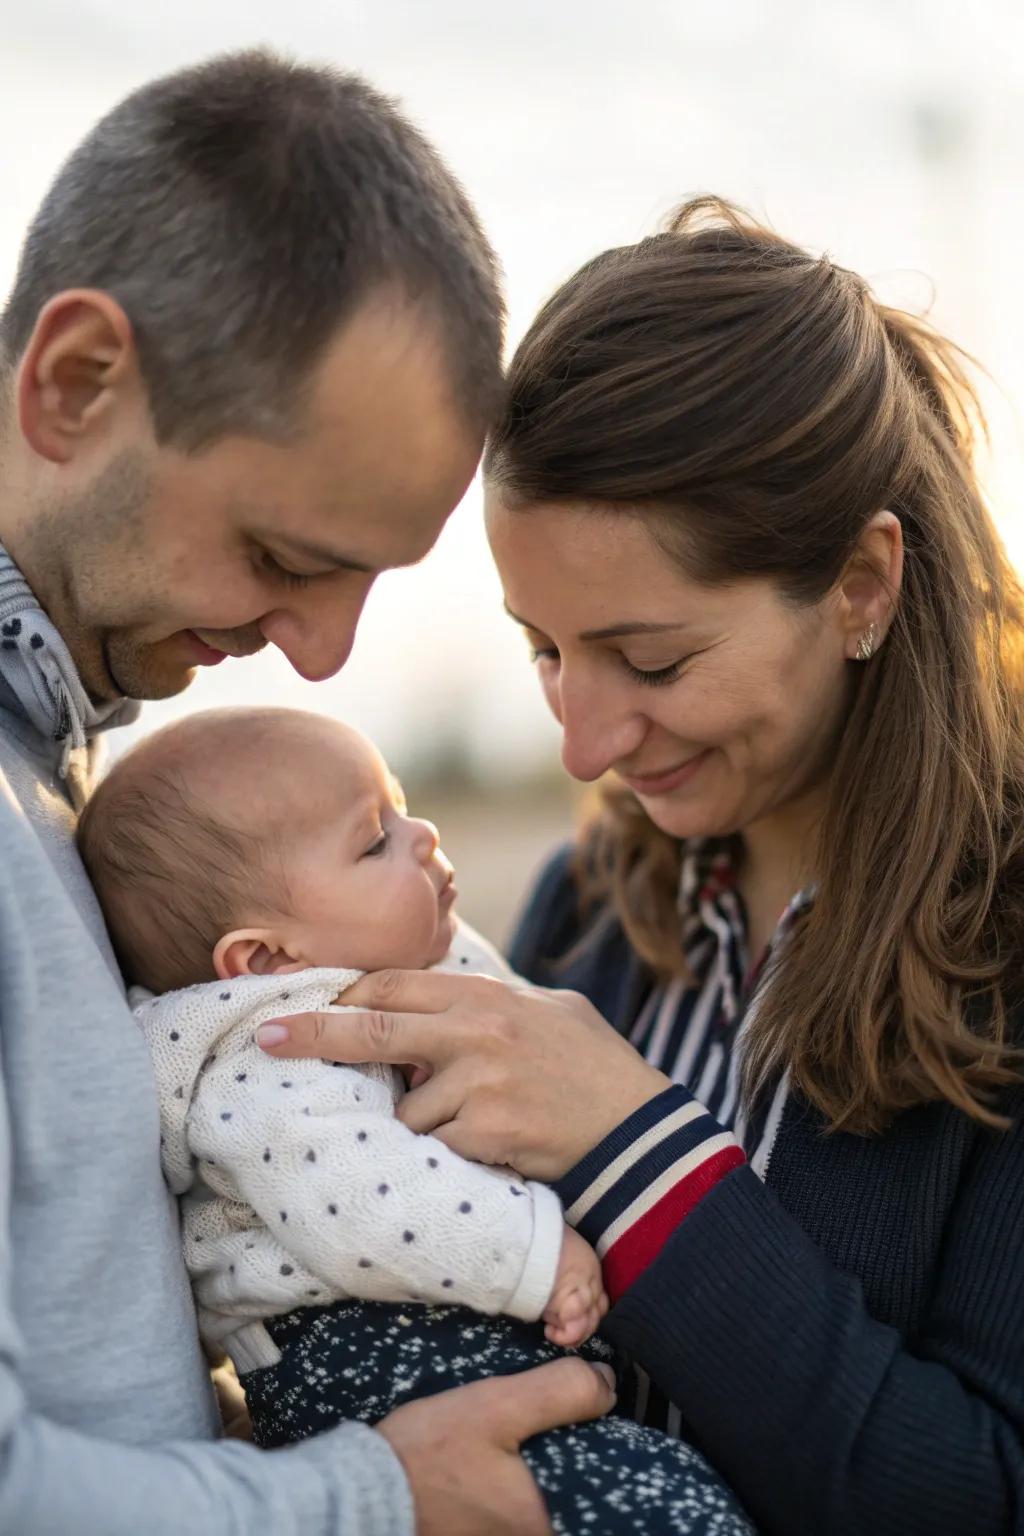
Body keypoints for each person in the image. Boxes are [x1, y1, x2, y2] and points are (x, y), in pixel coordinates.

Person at [267, 199, 1024, 1535]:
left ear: (860, 584)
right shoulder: (591, 910)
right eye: (544, 649)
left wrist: (634, 1147)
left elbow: (975, 1494)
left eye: (654, 661)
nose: (585, 744)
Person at [0, 49, 615, 1536]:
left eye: (367, 586)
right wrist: (365, 1498)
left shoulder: (53, 781)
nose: (322, 656)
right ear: (78, 384)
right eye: (285, 557)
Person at [77, 704, 756, 1536]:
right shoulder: (266, 1059)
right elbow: (360, 1200)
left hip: (470, 1359)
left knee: (670, 1492)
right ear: (266, 959)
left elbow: (503, 1000)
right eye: (375, 841)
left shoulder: (386, 977)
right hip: (378, 1363)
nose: (425, 833)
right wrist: (540, 1254)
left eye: (402, 807)